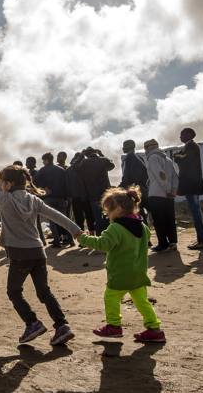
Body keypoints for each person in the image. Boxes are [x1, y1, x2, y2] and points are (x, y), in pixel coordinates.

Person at [0, 154, 80, 346]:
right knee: (44, 292)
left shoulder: (4, 199)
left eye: (2, 183)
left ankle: (32, 323)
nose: (0, 186)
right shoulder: (34, 200)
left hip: (20, 255)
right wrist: (75, 230)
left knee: (14, 291)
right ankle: (62, 326)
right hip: (38, 252)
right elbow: (56, 215)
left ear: (9, 184)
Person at [75, 186, 165, 343]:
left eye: (108, 211)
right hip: (139, 274)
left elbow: (103, 244)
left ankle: (114, 326)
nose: (107, 215)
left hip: (120, 274)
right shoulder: (143, 227)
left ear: (117, 210)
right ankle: (154, 329)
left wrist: (83, 238)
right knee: (142, 302)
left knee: (110, 298)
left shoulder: (116, 228)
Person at [173, 129, 203, 250]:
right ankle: (201, 239)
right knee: (194, 211)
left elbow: (186, 159)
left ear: (189, 135)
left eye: (182, 134)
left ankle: (202, 240)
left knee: (195, 211)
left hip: (191, 183)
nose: (180, 136)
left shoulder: (192, 146)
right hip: (190, 183)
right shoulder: (189, 146)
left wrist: (177, 156)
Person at [144, 139, 179, 253]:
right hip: (168, 195)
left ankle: (163, 243)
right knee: (170, 219)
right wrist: (173, 190)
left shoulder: (153, 157)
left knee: (159, 219)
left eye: (146, 148)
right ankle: (173, 242)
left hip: (157, 193)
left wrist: (167, 190)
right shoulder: (167, 159)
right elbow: (174, 176)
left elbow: (160, 174)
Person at [71, 148, 115, 236]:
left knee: (97, 218)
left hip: (93, 194)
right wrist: (102, 154)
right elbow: (112, 165)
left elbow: (74, 167)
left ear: (87, 154)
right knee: (107, 217)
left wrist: (80, 156)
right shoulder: (103, 161)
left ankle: (100, 238)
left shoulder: (86, 162)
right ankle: (109, 236)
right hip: (106, 194)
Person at [32, 153, 69, 248]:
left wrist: (44, 187)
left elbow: (34, 180)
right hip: (60, 197)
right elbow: (65, 185)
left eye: (43, 160)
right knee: (63, 219)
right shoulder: (61, 170)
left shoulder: (43, 170)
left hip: (50, 196)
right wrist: (65, 198)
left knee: (52, 219)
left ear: (47, 160)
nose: (43, 162)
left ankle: (57, 241)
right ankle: (69, 239)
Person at [119, 140, 149, 224]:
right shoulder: (137, 157)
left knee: (137, 214)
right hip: (141, 188)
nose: (123, 148)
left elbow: (132, 177)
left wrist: (122, 187)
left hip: (136, 189)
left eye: (124, 146)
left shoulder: (130, 157)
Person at [25, 157, 46, 246]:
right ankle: (42, 239)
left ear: (32, 162)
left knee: (35, 221)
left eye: (27, 162)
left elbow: (31, 185)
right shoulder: (37, 171)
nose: (26, 164)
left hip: (33, 198)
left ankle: (40, 240)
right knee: (36, 220)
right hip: (37, 198)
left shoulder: (32, 172)